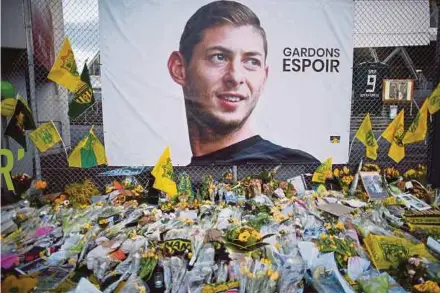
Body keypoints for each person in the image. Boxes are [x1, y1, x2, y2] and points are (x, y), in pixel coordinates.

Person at [167, 0, 319, 165]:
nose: (235, 77)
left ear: (264, 77)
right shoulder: (158, 179)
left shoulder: (295, 167)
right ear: (179, 69)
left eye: (252, 62)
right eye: (219, 57)